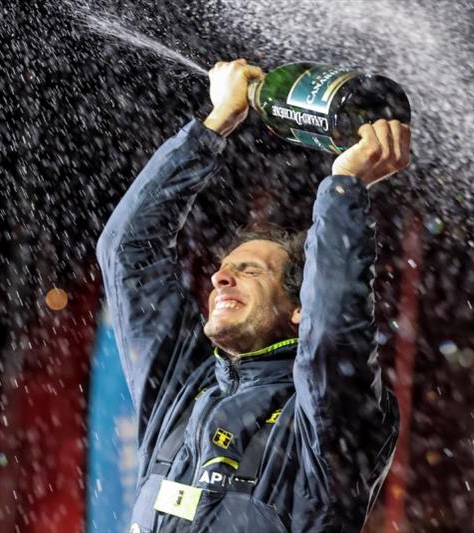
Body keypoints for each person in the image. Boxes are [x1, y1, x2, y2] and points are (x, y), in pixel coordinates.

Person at [97, 58, 410, 532]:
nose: (221, 280)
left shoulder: (322, 416)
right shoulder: (183, 389)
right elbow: (127, 250)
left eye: (249, 272)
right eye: (222, 271)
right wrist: (215, 124)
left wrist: (345, 187)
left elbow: (333, 334)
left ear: (299, 308)